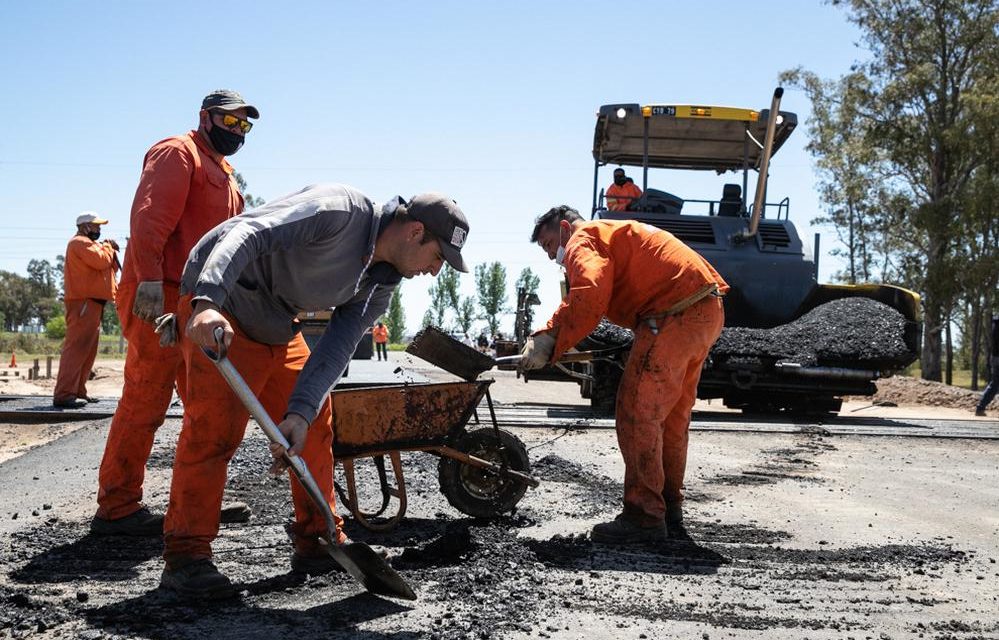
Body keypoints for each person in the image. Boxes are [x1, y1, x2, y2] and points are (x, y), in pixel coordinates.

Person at [160, 184, 469, 599]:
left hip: (277, 319)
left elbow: (337, 347)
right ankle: (187, 556)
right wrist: (207, 301)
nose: (434, 271)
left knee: (315, 423)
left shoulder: (381, 283)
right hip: (223, 302)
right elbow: (247, 233)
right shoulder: (338, 211)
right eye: (438, 258)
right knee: (215, 431)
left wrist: (300, 412)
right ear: (415, 231)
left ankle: (319, 539)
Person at [91, 90, 259, 537]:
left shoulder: (224, 174)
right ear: (205, 117)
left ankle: (195, 503)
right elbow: (149, 218)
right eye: (229, 121)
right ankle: (118, 505)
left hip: (198, 300)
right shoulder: (177, 152)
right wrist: (146, 277)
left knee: (207, 401)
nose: (236, 131)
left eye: (244, 125)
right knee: (147, 395)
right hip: (159, 293)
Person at [522, 204, 728, 544]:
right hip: (704, 309)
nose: (551, 256)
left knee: (636, 413)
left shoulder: (582, 239)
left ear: (563, 229)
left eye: (548, 245)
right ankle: (669, 508)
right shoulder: (610, 234)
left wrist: (552, 346)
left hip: (671, 315)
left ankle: (644, 517)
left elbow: (588, 294)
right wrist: (546, 333)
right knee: (671, 419)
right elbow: (582, 296)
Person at [53, 212, 120, 408]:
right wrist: (108, 247)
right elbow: (101, 261)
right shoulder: (79, 243)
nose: (99, 230)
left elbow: (108, 267)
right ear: (84, 227)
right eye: (95, 226)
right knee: (76, 349)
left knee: (87, 351)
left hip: (93, 304)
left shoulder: (91, 245)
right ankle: (64, 393)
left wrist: (109, 251)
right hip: (84, 303)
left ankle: (78, 391)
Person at [975, 315, 998, 416]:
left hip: (995, 356)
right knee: (994, 384)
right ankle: (980, 407)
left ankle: (980, 407)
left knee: (994, 384)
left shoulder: (995, 323)